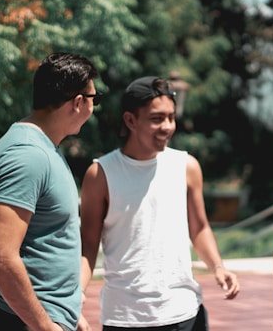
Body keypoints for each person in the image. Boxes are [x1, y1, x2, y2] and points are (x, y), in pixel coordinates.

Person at [79, 76, 240, 330]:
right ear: (130, 120)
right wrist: (75, 296)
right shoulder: (100, 174)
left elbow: (200, 228)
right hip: (125, 317)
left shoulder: (187, 166)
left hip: (184, 312)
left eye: (171, 117)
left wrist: (218, 267)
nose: (167, 126)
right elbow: (88, 244)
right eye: (157, 118)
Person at [0, 52, 101, 331]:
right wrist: (46, 325)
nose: (95, 107)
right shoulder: (28, 156)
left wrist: (68, 309)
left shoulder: (43, 148)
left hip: (43, 315)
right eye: (96, 99)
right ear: (79, 102)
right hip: (30, 321)